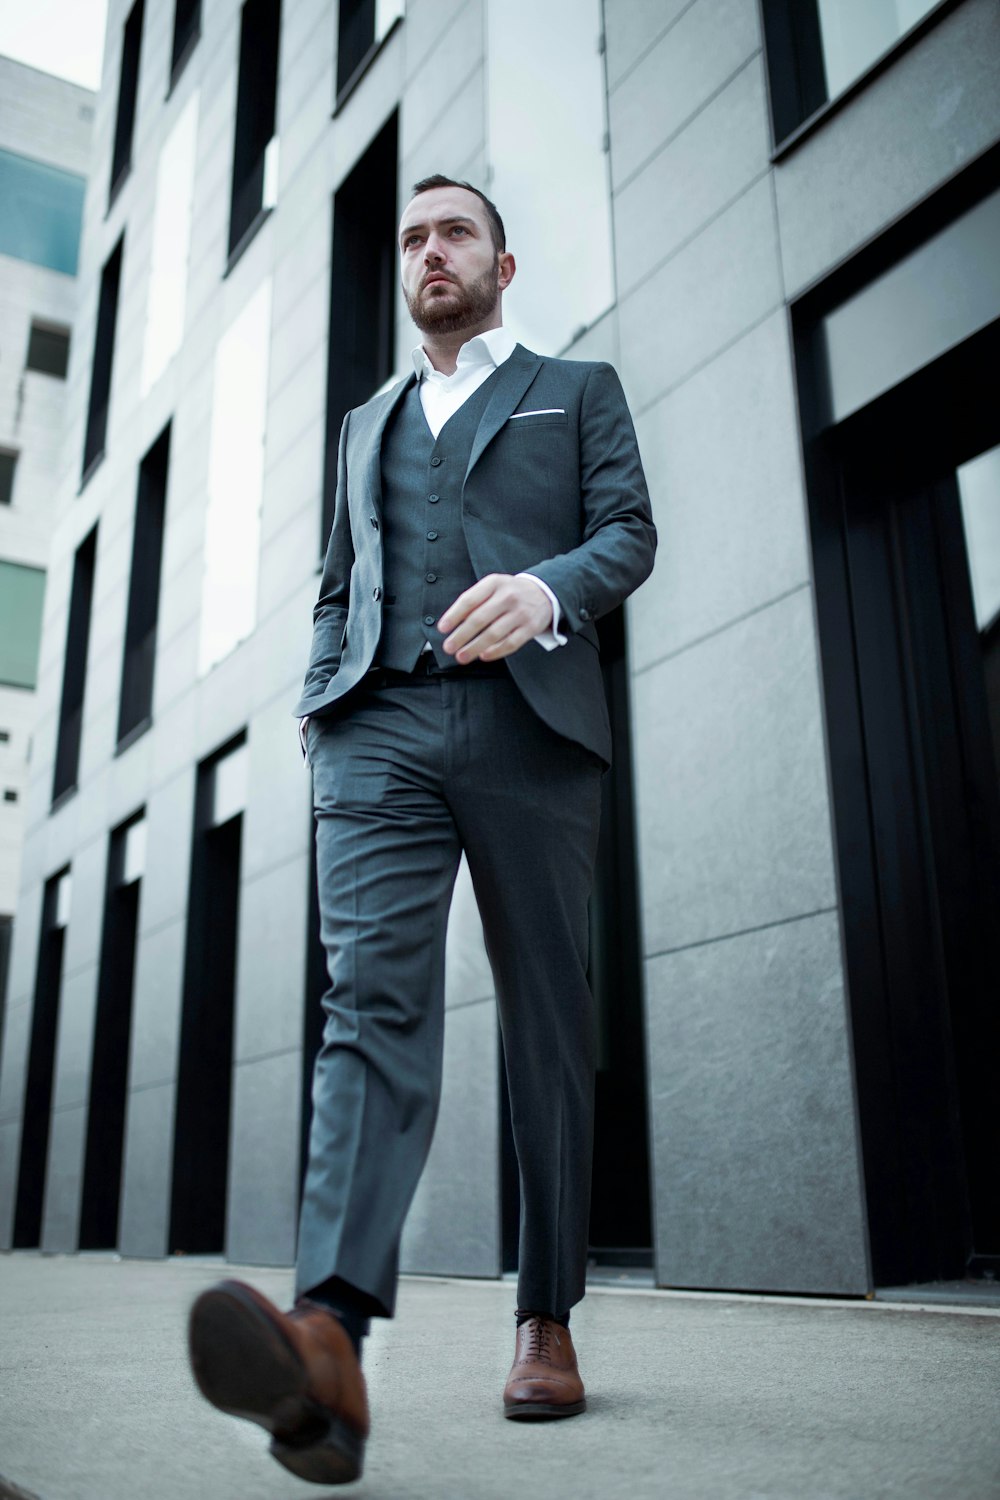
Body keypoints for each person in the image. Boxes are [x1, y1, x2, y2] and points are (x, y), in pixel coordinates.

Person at [187, 174, 656, 1486]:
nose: (429, 251)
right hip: (376, 730)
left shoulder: (580, 390)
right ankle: (328, 1339)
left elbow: (628, 533)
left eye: (454, 232)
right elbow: (342, 578)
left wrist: (548, 591)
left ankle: (546, 1317)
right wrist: (318, 704)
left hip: (530, 732)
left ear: (505, 264)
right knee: (367, 1008)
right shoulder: (363, 423)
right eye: (412, 237)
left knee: (548, 1020)